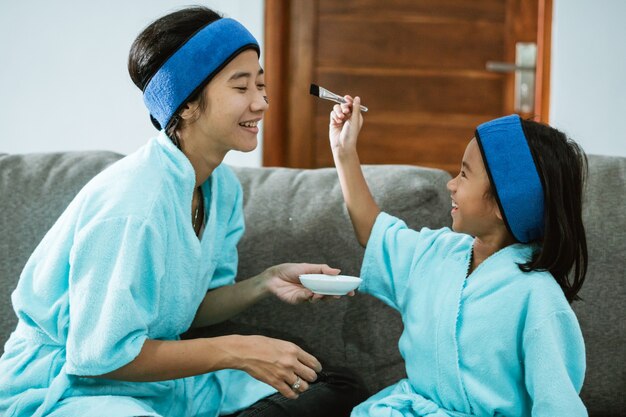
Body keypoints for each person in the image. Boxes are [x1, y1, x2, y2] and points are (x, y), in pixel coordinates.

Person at [0, 7, 367, 417]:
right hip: (69, 390)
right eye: (241, 87)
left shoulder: (221, 188)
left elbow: (190, 310)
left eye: (260, 85)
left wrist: (266, 282)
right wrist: (236, 350)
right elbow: (97, 357)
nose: (261, 102)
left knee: (330, 384)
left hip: (158, 384)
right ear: (188, 104)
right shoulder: (132, 205)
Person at [329, 96, 588, 416]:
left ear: (503, 202)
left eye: (464, 174)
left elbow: (557, 405)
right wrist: (344, 152)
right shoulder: (437, 253)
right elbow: (374, 233)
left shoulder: (537, 297)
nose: (451, 184)